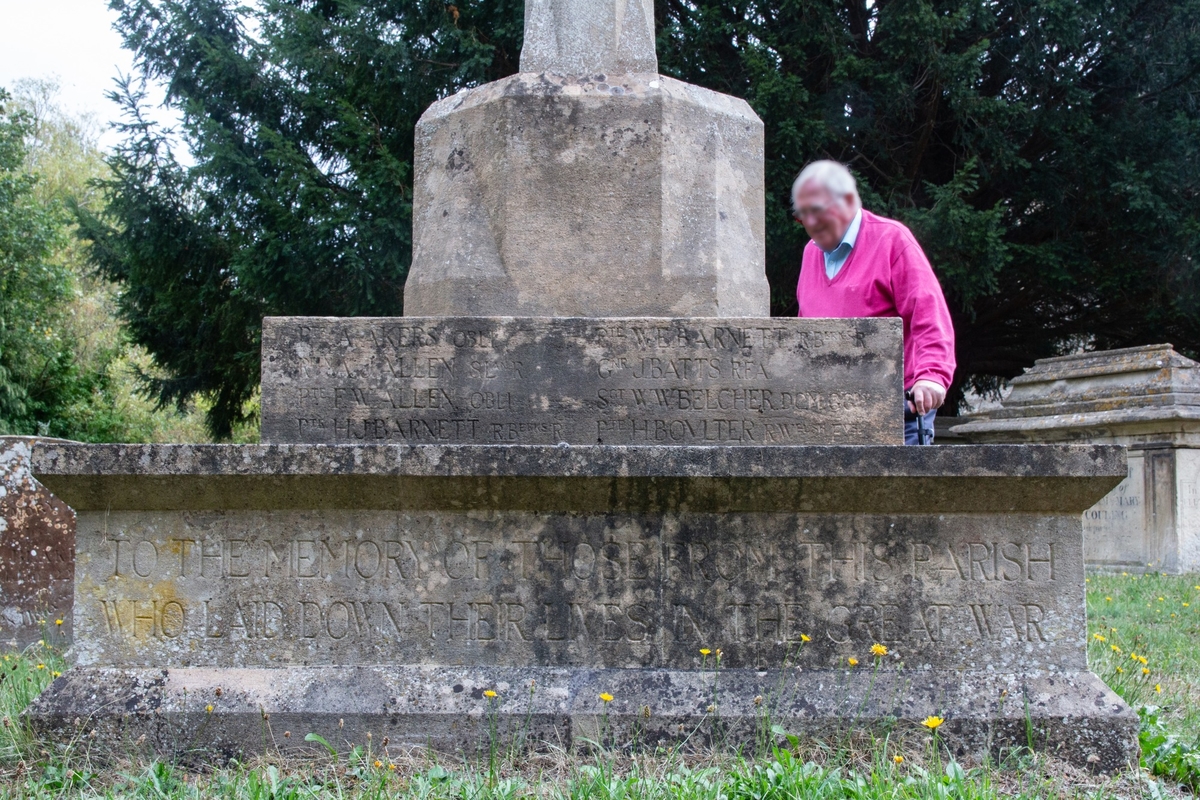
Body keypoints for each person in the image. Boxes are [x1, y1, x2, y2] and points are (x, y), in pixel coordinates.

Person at [792, 160, 955, 445]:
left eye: (818, 211)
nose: (811, 224)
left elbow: (929, 314)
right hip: (830, 414)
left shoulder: (892, 240)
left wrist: (932, 376)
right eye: (802, 216)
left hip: (895, 410)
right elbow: (805, 333)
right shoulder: (809, 254)